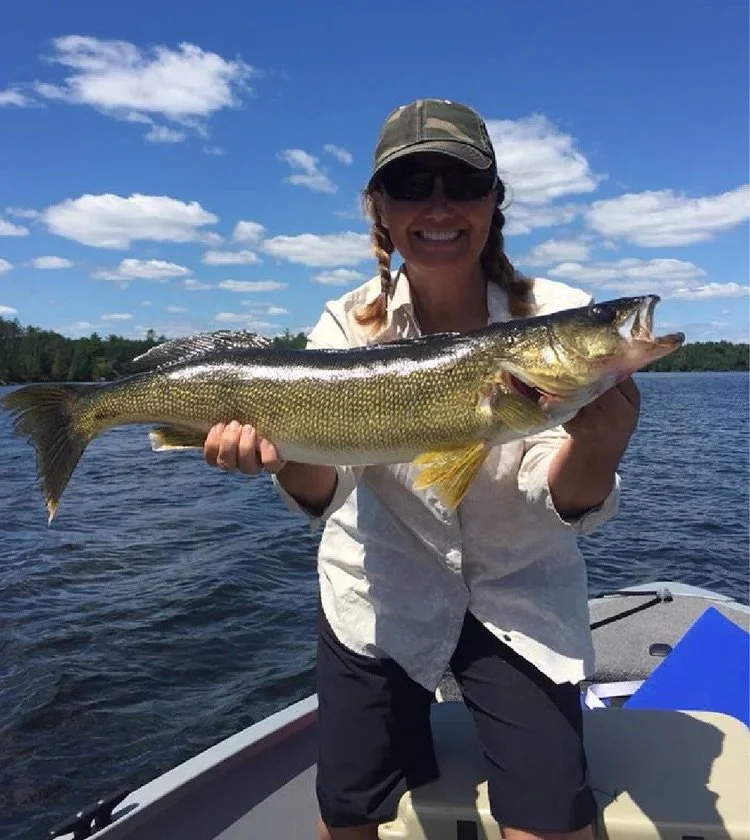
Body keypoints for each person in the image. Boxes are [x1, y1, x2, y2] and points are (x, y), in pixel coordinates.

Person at [203, 98, 640, 840]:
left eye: (462, 182)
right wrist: (282, 458)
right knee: (348, 814)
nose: (439, 206)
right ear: (379, 208)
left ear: (495, 201)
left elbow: (557, 497)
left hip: (518, 597)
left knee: (551, 819)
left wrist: (597, 447)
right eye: (411, 185)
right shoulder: (344, 327)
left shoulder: (555, 316)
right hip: (379, 595)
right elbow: (323, 488)